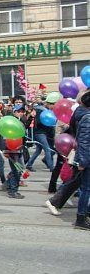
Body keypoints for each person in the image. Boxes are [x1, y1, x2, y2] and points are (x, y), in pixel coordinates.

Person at [46, 90, 90, 216]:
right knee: (76, 182)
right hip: (80, 153)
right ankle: (81, 214)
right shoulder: (84, 116)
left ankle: (54, 201)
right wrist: (82, 160)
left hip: (78, 152)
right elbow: (83, 139)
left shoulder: (79, 113)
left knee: (76, 181)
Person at [73, 90, 90, 230]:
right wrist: (83, 162)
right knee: (86, 189)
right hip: (87, 159)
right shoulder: (87, 118)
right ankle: (81, 217)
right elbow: (84, 142)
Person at [26, 96, 55, 171]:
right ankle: (51, 167)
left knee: (38, 150)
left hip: (40, 133)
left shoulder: (41, 110)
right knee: (47, 149)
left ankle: (29, 164)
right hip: (40, 133)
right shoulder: (40, 110)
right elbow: (38, 122)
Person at [4, 105, 26, 199]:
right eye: (19, 111)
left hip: (19, 149)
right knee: (17, 170)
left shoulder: (20, 121)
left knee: (18, 170)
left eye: (22, 111)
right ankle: (13, 190)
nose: (21, 113)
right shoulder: (11, 122)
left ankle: (9, 185)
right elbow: (6, 136)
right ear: (14, 112)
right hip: (13, 150)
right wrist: (6, 150)